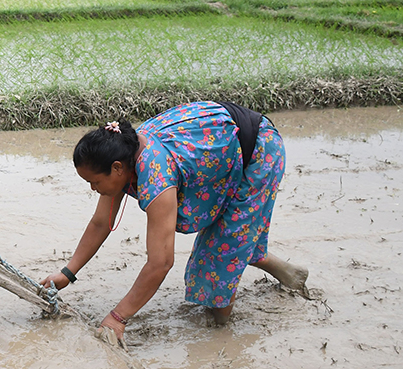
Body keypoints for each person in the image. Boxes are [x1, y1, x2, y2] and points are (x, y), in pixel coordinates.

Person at [41, 101, 308, 341]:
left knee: (220, 254)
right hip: (223, 153)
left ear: (117, 169)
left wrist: (118, 318)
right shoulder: (123, 151)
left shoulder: (157, 177)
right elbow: (101, 223)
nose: (93, 189)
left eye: (94, 182)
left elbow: (160, 263)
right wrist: (67, 274)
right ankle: (289, 273)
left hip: (259, 151)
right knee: (234, 238)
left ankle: (220, 333)